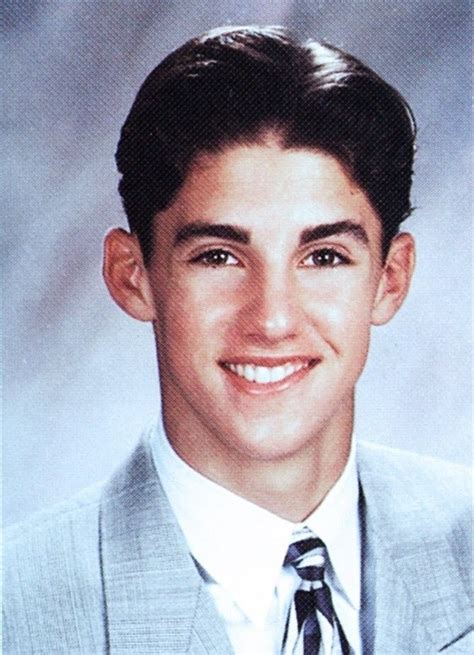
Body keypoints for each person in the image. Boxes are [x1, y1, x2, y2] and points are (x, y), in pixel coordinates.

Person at [4, 25, 471, 655]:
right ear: (131, 274)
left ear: (391, 279)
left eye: (325, 257)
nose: (272, 319)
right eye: (219, 256)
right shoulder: (19, 609)